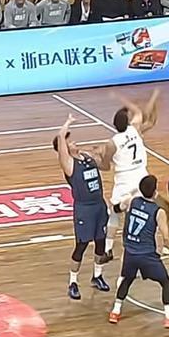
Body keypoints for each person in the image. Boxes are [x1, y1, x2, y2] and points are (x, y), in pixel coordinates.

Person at [108, 175, 169, 329]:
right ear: (155, 192)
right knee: (165, 282)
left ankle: (115, 311)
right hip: (147, 255)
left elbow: (116, 208)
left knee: (127, 280)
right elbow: (166, 236)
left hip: (130, 252)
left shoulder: (132, 201)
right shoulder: (158, 211)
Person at [55, 114, 112, 299]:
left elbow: (106, 166)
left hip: (99, 205)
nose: (73, 142)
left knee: (101, 242)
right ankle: (73, 282)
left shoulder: (87, 157)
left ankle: (97, 276)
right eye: (69, 142)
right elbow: (60, 136)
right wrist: (68, 122)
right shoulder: (68, 164)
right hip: (84, 209)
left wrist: (103, 154)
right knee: (81, 245)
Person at [104, 91, 158, 256]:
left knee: (115, 213)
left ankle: (108, 248)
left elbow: (106, 164)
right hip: (141, 175)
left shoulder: (112, 142)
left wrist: (99, 159)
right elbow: (140, 113)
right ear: (127, 122)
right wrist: (123, 98)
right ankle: (144, 244)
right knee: (141, 211)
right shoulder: (135, 130)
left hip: (124, 179)